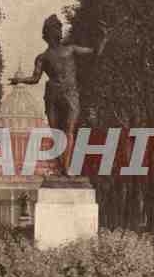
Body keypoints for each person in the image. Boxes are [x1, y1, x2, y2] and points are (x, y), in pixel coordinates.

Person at [9, 14, 108, 175]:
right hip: (53, 95)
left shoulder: (70, 49)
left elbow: (95, 52)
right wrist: (19, 80)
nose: (57, 32)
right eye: (54, 29)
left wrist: (103, 38)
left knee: (69, 130)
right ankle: (63, 168)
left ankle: (66, 168)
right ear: (47, 34)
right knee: (57, 133)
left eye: (58, 29)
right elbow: (35, 78)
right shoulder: (42, 57)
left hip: (70, 93)